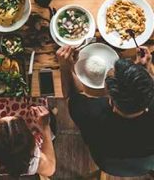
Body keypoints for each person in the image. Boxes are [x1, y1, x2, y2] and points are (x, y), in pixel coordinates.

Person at [57, 45, 154, 175]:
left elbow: (72, 95)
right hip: (146, 163)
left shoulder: (91, 114)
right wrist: (145, 70)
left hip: (108, 163)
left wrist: (65, 67)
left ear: (111, 101)